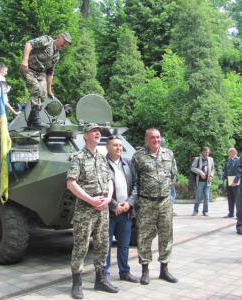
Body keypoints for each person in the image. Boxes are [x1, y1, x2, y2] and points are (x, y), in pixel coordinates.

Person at [66, 123, 119, 299]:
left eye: (99, 132)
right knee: (81, 246)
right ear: (85, 136)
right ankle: (76, 283)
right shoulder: (78, 157)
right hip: (85, 208)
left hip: (103, 207)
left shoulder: (103, 157)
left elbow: (110, 179)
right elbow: (71, 183)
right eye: (93, 131)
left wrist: (109, 198)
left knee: (103, 244)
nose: (97, 133)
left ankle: (100, 279)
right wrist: (91, 200)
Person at [132, 128, 178, 285]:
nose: (156, 140)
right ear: (146, 139)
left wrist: (165, 192)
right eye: (152, 138)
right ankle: (145, 271)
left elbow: (173, 175)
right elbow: (134, 180)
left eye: (158, 137)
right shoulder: (138, 157)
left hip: (164, 202)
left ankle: (164, 269)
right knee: (144, 237)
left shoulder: (168, 154)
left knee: (166, 235)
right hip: (146, 203)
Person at [105, 135, 139, 283]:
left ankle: (125, 272)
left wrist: (129, 203)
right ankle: (104, 273)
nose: (118, 148)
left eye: (120, 145)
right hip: (108, 212)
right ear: (107, 147)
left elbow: (137, 185)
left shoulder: (127, 163)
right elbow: (99, 188)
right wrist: (114, 205)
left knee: (124, 244)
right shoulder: (102, 164)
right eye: (115, 145)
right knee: (104, 245)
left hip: (125, 212)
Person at [20, 32, 71, 128]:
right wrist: (25, 59)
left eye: (66, 44)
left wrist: (49, 90)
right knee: (37, 90)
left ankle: (33, 119)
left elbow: (50, 72)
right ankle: (35, 119)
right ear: (59, 37)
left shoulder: (56, 56)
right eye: (64, 42)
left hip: (40, 73)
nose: (64, 45)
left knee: (43, 94)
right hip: (28, 69)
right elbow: (29, 44)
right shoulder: (47, 41)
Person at [191, 146, 215, 216]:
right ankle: (195, 210)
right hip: (200, 181)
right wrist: (200, 173)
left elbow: (213, 169)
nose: (207, 154)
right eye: (205, 152)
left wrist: (211, 176)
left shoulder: (211, 159)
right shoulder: (197, 159)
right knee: (198, 196)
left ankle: (205, 211)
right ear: (202, 152)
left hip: (207, 181)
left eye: (208, 152)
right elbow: (193, 168)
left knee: (207, 197)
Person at [220, 148, 241, 218]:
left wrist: (235, 181)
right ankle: (231, 213)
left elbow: (239, 172)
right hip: (229, 181)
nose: (228, 153)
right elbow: (226, 171)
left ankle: (239, 214)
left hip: (236, 182)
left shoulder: (238, 160)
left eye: (229, 152)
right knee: (230, 198)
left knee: (237, 198)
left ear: (233, 153)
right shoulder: (229, 160)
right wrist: (222, 179)